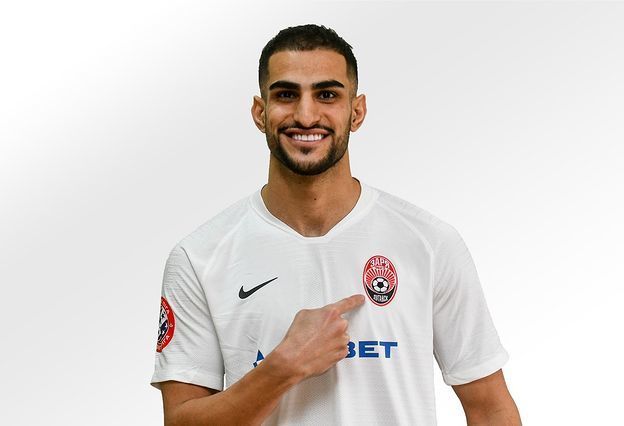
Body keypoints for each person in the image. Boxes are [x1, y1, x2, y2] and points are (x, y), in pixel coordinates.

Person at [150, 24, 521, 425]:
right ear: (260, 112)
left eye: (326, 95)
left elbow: (490, 408)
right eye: (286, 95)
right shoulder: (199, 257)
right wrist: (283, 367)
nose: (306, 115)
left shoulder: (430, 243)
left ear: (356, 111)